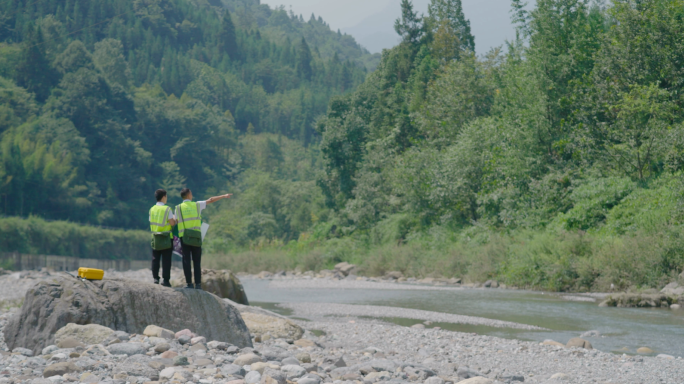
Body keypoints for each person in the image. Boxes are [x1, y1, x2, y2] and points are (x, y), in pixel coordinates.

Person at [175, 188, 232, 289]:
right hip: (196, 237)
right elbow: (211, 200)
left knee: (186, 260)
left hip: (184, 237)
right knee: (197, 261)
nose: (192, 195)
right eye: (191, 193)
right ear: (188, 195)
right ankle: (198, 285)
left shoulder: (178, 208)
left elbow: (174, 221)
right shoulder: (197, 205)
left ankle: (189, 284)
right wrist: (223, 196)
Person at [149, 189, 177, 286]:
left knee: (155, 259)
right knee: (166, 260)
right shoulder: (167, 209)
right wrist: (174, 218)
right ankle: (165, 281)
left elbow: (151, 220)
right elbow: (172, 223)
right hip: (166, 237)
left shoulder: (152, 209)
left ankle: (155, 278)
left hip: (155, 237)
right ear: (164, 197)